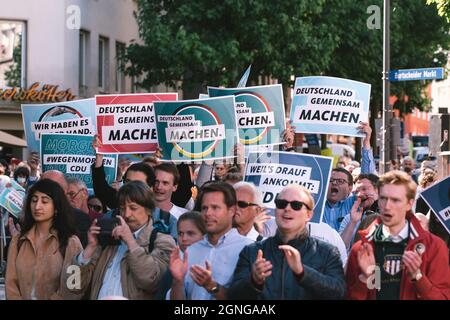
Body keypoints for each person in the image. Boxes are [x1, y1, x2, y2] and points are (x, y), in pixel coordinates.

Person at [228, 184, 346, 299]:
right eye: (281, 204)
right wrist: (253, 281)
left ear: (309, 215)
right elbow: (233, 296)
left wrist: (303, 273)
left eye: (296, 205)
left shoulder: (327, 252)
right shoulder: (252, 251)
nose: (287, 209)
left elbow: (339, 292)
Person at [346, 171, 450, 300]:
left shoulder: (433, 246)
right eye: (383, 198)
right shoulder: (362, 248)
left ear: (409, 204)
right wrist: (365, 279)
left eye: (396, 200)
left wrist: (418, 277)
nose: (387, 206)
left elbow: (442, 297)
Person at [76, 181, 176, 300]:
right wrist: (90, 248)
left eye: (133, 208)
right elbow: (74, 285)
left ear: (149, 210)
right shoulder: (107, 239)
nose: (127, 214)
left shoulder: (162, 241)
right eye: (123, 209)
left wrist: (131, 242)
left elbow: (151, 281)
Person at [169, 182, 253, 300]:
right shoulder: (190, 250)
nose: (208, 213)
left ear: (232, 210)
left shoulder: (248, 249)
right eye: (204, 208)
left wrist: (211, 286)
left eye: (215, 208)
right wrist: (177, 281)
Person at [5, 179, 83, 299]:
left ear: (56, 207)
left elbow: (74, 287)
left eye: (45, 201)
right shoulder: (18, 241)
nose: (37, 206)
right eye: (34, 200)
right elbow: (10, 285)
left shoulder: (71, 243)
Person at [40, 170, 91, 247]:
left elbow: (81, 254)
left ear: (64, 191)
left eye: (50, 187)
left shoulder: (80, 219)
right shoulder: (32, 214)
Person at [339, 174, 379, 250]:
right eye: (356, 192)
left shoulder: (388, 216)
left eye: (364, 189)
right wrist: (353, 222)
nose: (359, 195)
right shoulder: (349, 218)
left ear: (378, 190)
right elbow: (340, 248)